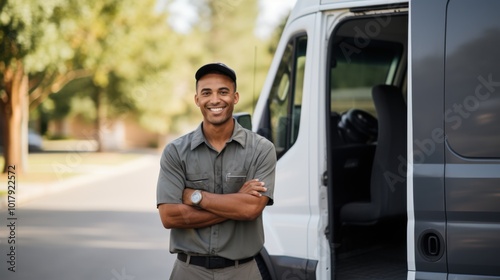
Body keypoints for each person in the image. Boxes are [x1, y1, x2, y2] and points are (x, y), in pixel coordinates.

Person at [156, 62, 277, 279]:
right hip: (189, 271)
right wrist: (236, 203)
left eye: (223, 92)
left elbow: (251, 210)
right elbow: (169, 216)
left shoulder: (261, 149)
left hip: (243, 271)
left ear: (235, 97)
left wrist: (195, 196)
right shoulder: (175, 152)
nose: (215, 100)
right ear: (197, 100)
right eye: (206, 93)